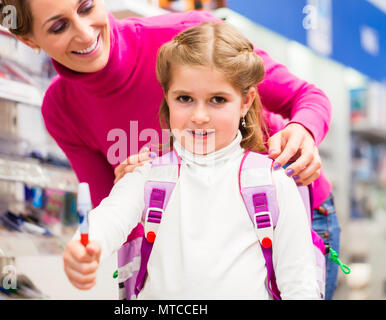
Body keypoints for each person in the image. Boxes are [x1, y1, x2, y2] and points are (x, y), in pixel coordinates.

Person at [0, 0, 338, 298]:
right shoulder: (63, 109)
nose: (84, 33)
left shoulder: (189, 36)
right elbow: (112, 216)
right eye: (58, 27)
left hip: (289, 212)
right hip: (184, 240)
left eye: (86, 7)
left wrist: (303, 130)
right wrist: (89, 244)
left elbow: (306, 97)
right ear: (28, 39)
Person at [64, 22, 321, 299]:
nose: (199, 116)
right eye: (185, 98)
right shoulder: (147, 175)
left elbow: (299, 284)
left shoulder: (273, 182)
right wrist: (84, 246)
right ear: (167, 98)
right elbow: (110, 217)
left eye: (218, 100)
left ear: (246, 101)